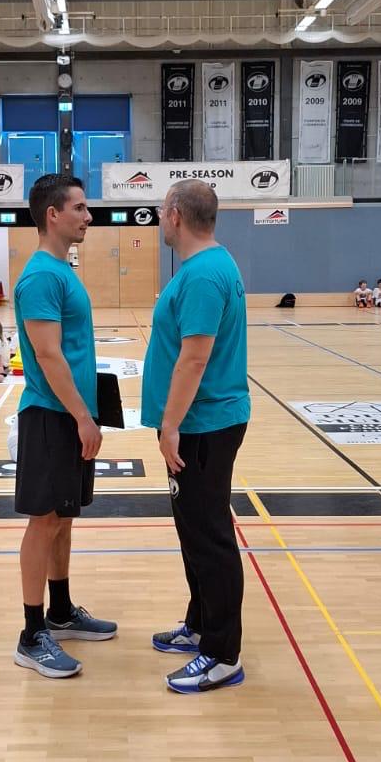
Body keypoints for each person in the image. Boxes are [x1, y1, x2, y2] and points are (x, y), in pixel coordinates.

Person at [145, 180, 250, 694]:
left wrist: (170, 426)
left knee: (210, 537)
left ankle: (222, 654)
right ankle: (201, 624)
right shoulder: (204, 267)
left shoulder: (205, 274)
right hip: (199, 423)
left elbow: (194, 358)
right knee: (195, 532)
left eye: (161, 211)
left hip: (202, 425)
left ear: (175, 215)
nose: (159, 219)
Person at [12, 172, 116, 680]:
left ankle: (60, 610)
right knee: (45, 521)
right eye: (79, 208)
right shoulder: (40, 277)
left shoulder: (61, 271)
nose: (88, 217)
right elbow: (48, 355)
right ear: (53, 215)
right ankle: (32, 634)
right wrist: (81, 416)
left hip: (70, 415)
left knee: (64, 518)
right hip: (51, 416)